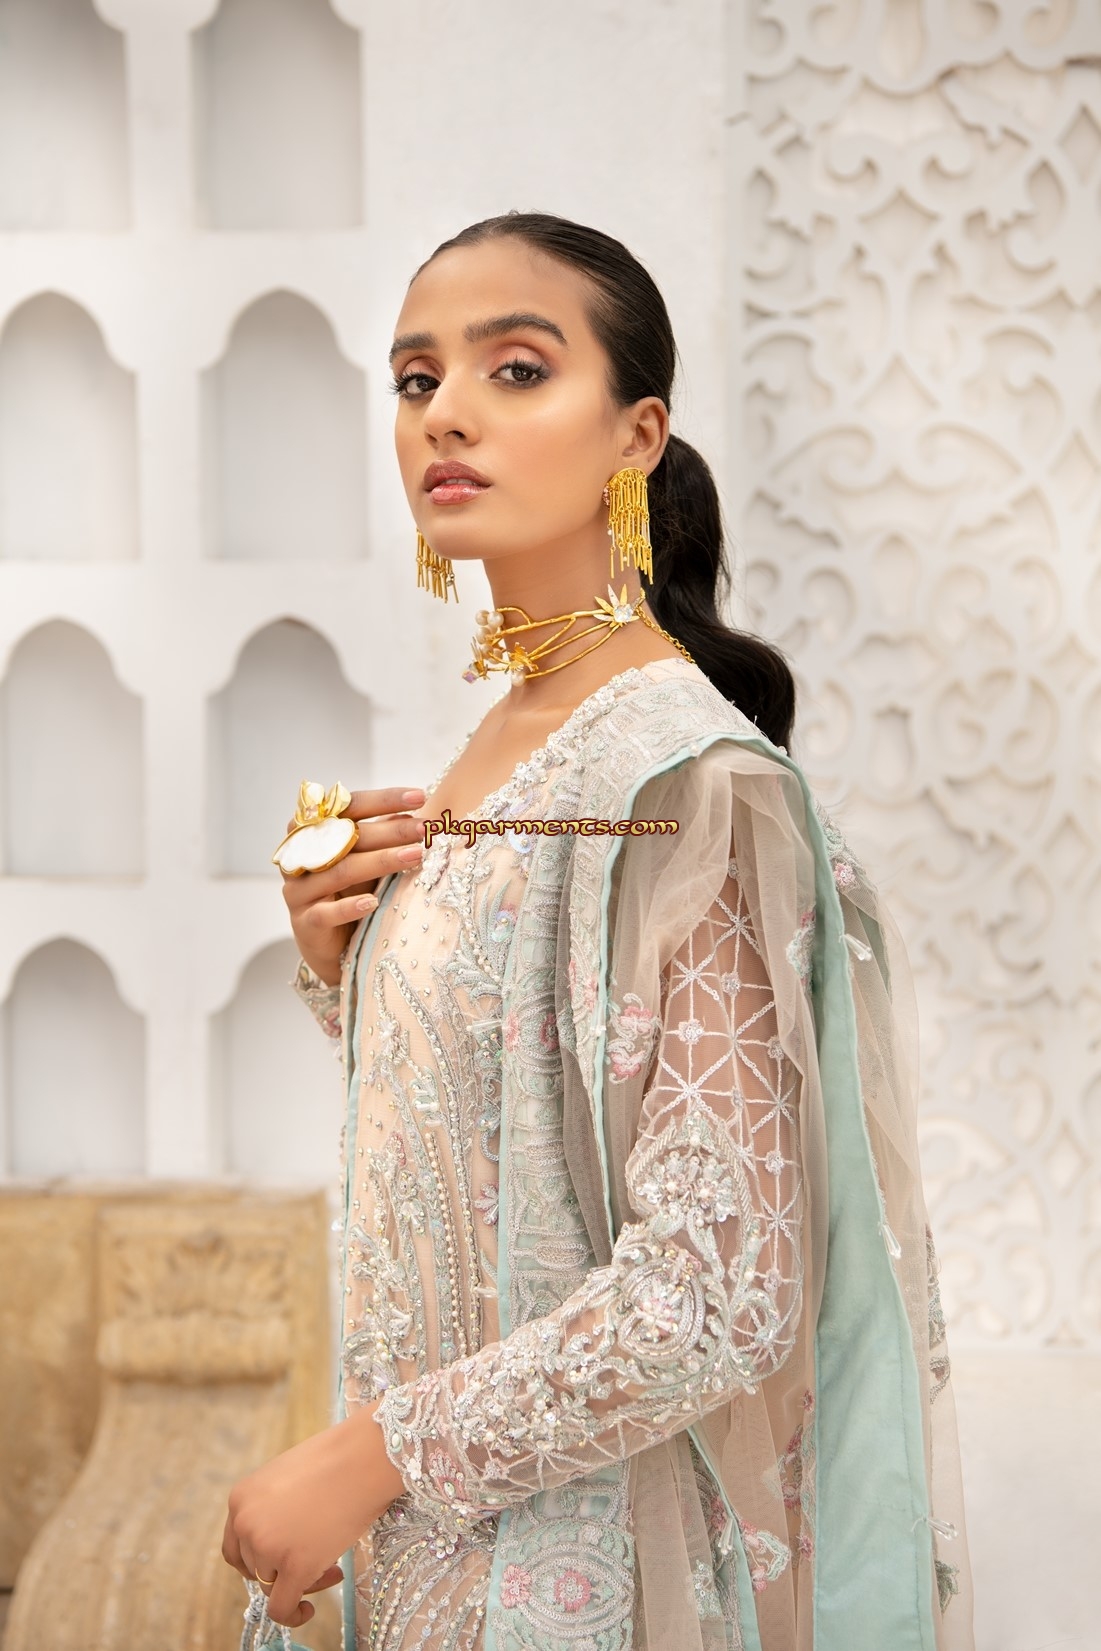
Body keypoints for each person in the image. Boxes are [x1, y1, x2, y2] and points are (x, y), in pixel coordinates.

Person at [222, 212, 975, 1651]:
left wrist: (366, 1459)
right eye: (416, 378)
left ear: (638, 434)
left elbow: (716, 1289)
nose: (445, 412)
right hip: (434, 1558)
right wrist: (345, 978)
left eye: (515, 369)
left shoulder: (686, 779)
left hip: (588, 1578)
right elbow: (509, 1155)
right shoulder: (500, 747)